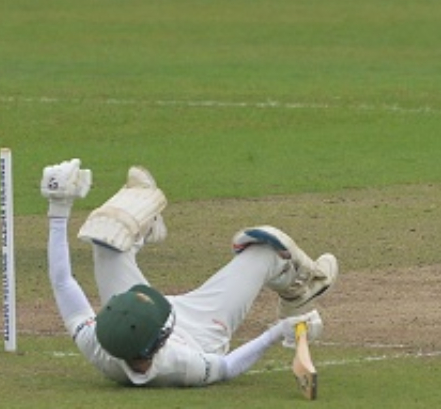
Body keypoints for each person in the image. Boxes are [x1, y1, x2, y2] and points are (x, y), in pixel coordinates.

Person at [41, 158, 339, 388]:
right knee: (268, 247)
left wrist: (58, 206)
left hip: (136, 317)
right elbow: (228, 367)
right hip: (202, 330)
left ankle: (145, 229)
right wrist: (278, 331)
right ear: (160, 338)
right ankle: (304, 285)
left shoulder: (100, 341)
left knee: (106, 236)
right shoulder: (181, 365)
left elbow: (63, 282)